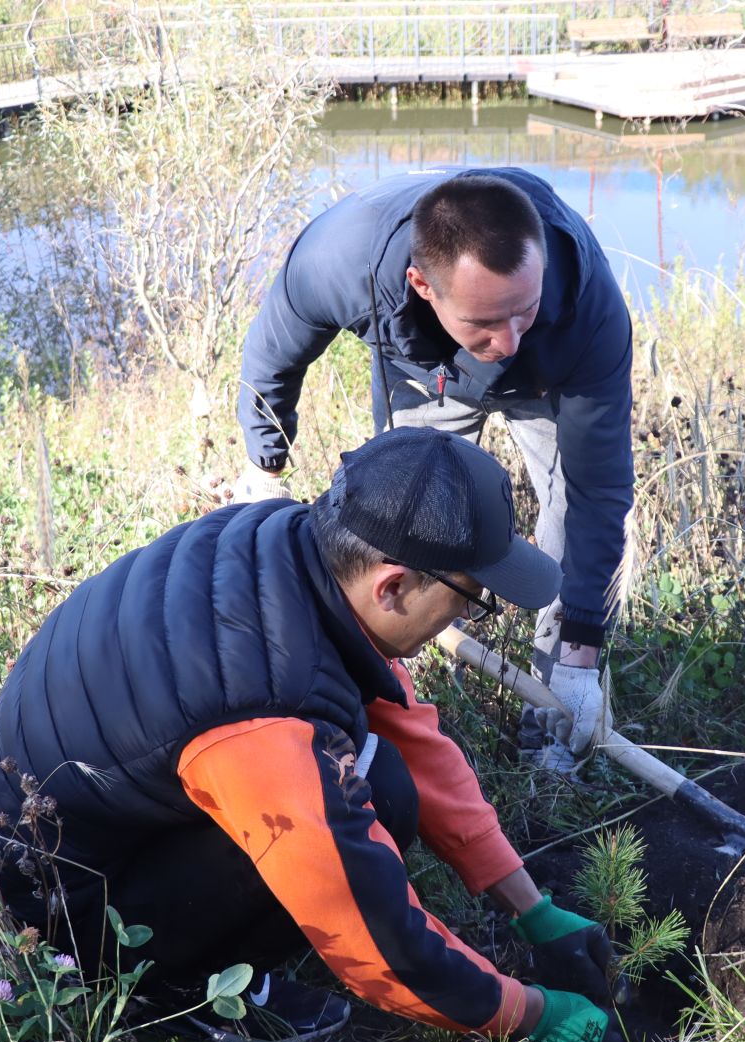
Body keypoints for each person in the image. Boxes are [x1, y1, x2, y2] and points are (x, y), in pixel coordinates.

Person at [0, 428, 621, 1042]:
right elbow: (378, 943)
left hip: (92, 831)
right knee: (358, 803)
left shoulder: (286, 549)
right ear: (391, 586)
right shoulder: (259, 713)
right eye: (471, 601)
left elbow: (412, 737)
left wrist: (533, 911)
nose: (467, 618)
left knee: (386, 773)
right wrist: (530, 1013)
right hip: (60, 920)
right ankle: (180, 992)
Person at [232, 168, 634, 769]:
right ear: (422, 284)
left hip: (555, 374)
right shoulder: (343, 260)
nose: (509, 338)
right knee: (412, 517)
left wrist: (582, 642)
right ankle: (391, 688)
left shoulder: (585, 305)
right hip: (428, 369)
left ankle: (554, 711)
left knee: (567, 513)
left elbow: (596, 490)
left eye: (521, 309)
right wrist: (266, 462)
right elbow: (272, 355)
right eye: (486, 323)